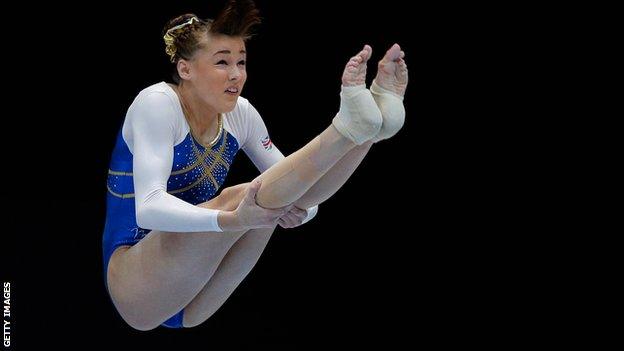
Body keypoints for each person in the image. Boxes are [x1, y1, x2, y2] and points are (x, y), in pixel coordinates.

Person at [102, 0, 408, 330]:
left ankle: (366, 134)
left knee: (272, 197)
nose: (237, 75)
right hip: (133, 281)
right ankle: (345, 128)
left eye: (242, 62)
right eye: (222, 62)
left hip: (194, 297)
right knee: (248, 196)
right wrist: (232, 218)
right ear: (185, 69)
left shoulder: (240, 114)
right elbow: (147, 207)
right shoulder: (158, 104)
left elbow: (302, 191)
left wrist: (299, 213)